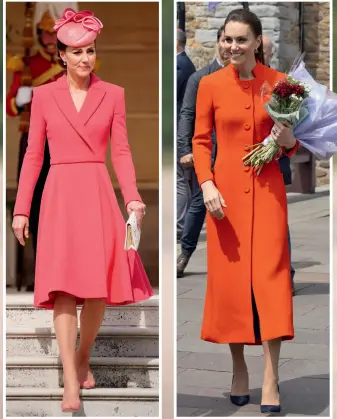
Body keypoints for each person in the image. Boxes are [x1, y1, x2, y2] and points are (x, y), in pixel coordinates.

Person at [12, 8, 153, 413]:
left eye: (90, 50)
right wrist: (22, 209)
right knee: (63, 288)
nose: (84, 58)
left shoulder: (114, 95)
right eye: (76, 52)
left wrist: (133, 197)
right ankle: (70, 383)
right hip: (57, 196)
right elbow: (34, 156)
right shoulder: (42, 96)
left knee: (95, 291)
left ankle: (83, 353)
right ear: (62, 55)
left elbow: (122, 152)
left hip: (96, 194)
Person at [192, 9, 298, 413]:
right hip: (225, 201)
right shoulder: (210, 85)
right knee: (233, 285)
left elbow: (292, 146)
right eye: (226, 39)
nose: (231, 46)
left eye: (240, 40)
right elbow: (200, 141)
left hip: (268, 194)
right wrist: (206, 184)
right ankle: (239, 368)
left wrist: (287, 137)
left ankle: (272, 376)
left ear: (257, 42)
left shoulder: (281, 85)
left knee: (272, 283)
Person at [6, 4, 65, 291]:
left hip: (63, 143)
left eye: (55, 35)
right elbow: (9, 107)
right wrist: (20, 99)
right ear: (41, 37)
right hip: (33, 140)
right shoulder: (28, 65)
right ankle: (36, 271)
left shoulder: (70, 62)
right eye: (47, 35)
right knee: (33, 203)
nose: (51, 40)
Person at [177, 25, 228, 277]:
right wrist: (184, 148)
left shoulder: (245, 76)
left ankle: (286, 270)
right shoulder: (201, 78)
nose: (230, 46)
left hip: (237, 152)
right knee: (199, 203)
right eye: (225, 39)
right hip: (207, 150)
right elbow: (187, 114)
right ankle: (185, 253)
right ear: (219, 42)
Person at [263, 34, 296, 294]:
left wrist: (286, 139)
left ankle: (287, 273)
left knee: (278, 224)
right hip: (243, 168)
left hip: (275, 166)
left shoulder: (280, 84)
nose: (266, 55)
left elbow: (294, 135)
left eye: (268, 51)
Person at [176, 28, 196, 239]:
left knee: (178, 178)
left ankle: (180, 226)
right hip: (179, 126)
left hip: (178, 127)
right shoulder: (182, 63)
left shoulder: (180, 65)